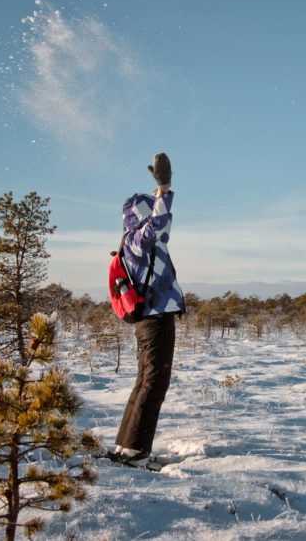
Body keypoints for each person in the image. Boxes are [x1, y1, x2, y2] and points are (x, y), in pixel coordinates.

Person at [110, 152, 186, 464]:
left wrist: (160, 195)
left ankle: (126, 447)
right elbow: (157, 225)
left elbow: (159, 227)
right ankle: (136, 452)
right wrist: (164, 190)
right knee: (154, 383)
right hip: (154, 318)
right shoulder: (139, 239)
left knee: (145, 380)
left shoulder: (136, 241)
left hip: (150, 318)